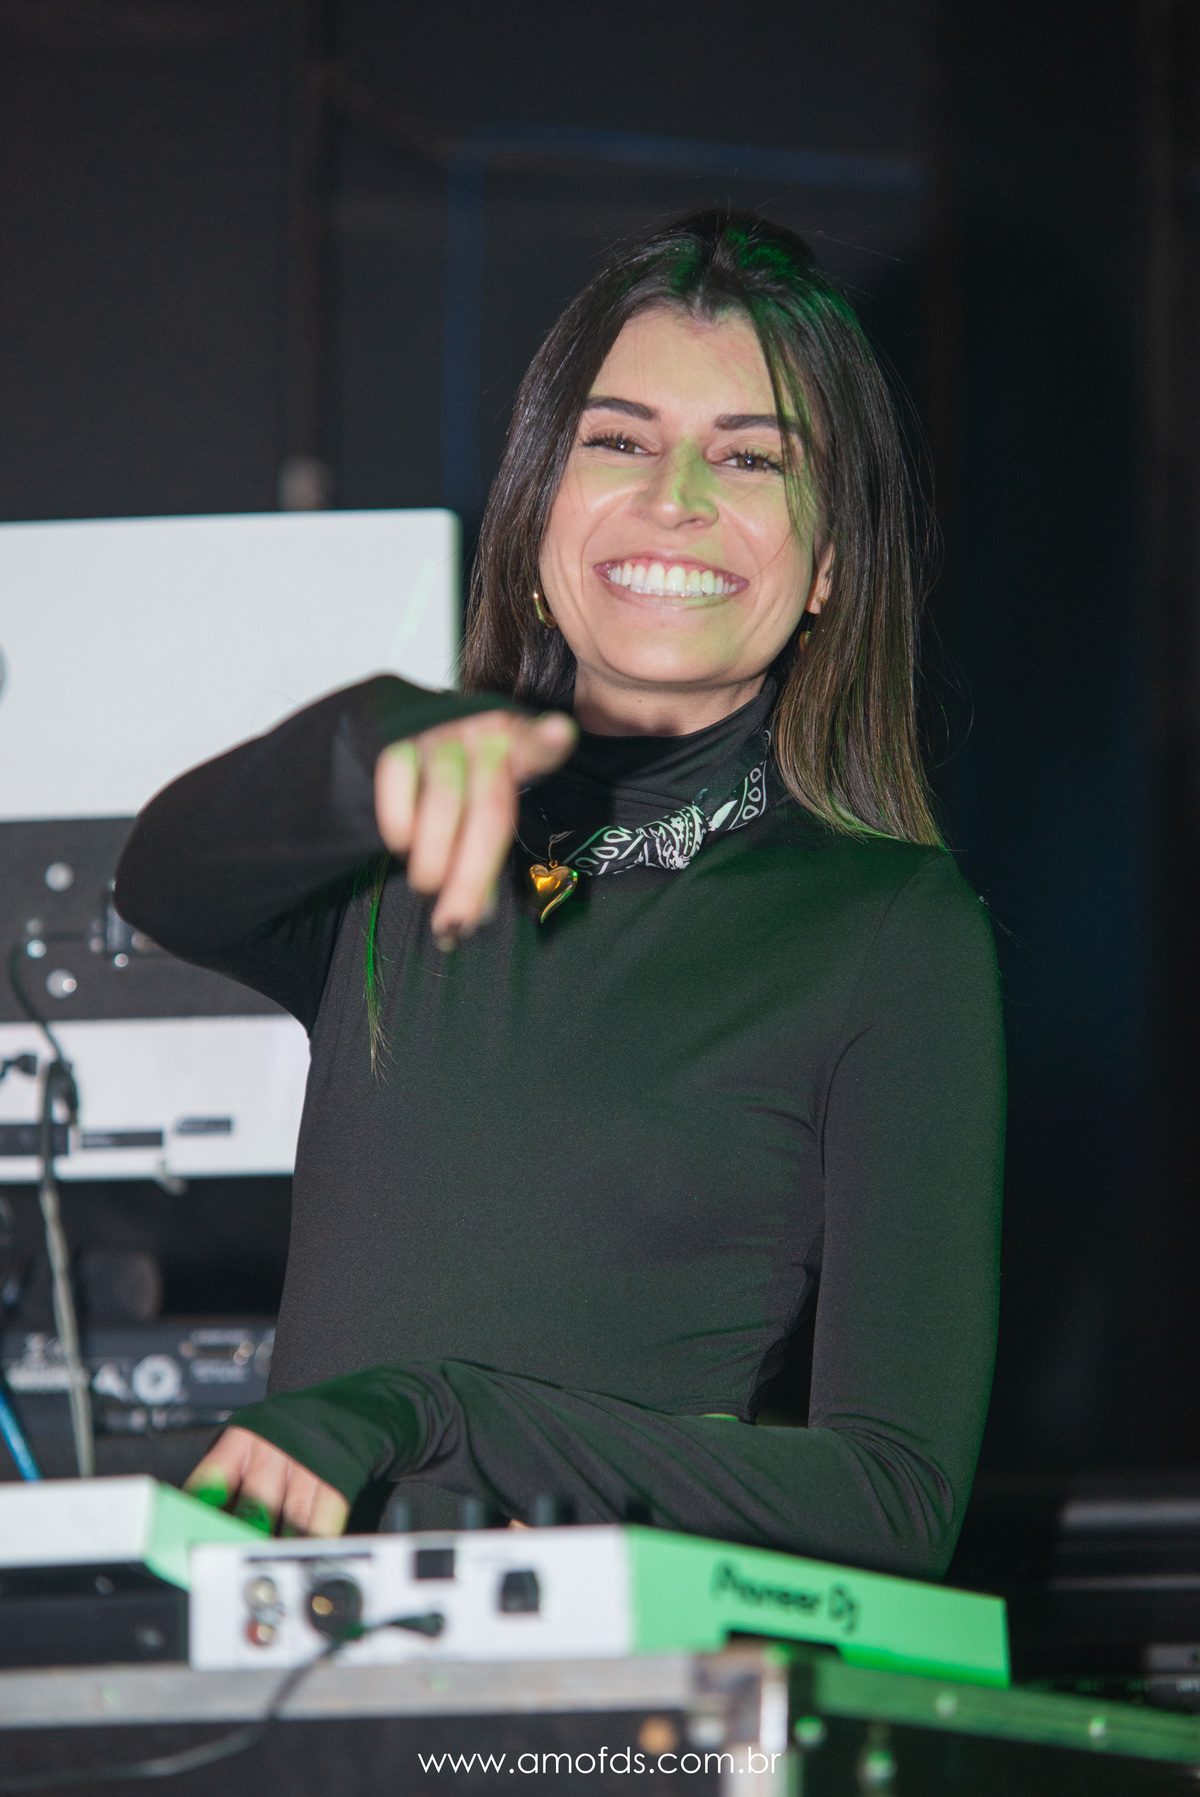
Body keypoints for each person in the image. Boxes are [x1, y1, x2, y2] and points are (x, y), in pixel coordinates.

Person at [115, 210, 1004, 1578]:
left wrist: (435, 1413)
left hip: (604, 1688)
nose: (676, 496)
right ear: (538, 510)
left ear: (830, 561)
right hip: (295, 1672)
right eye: (620, 441)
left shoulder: (889, 928)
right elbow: (162, 881)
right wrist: (366, 742)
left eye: (752, 457)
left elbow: (895, 1498)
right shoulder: (412, 844)